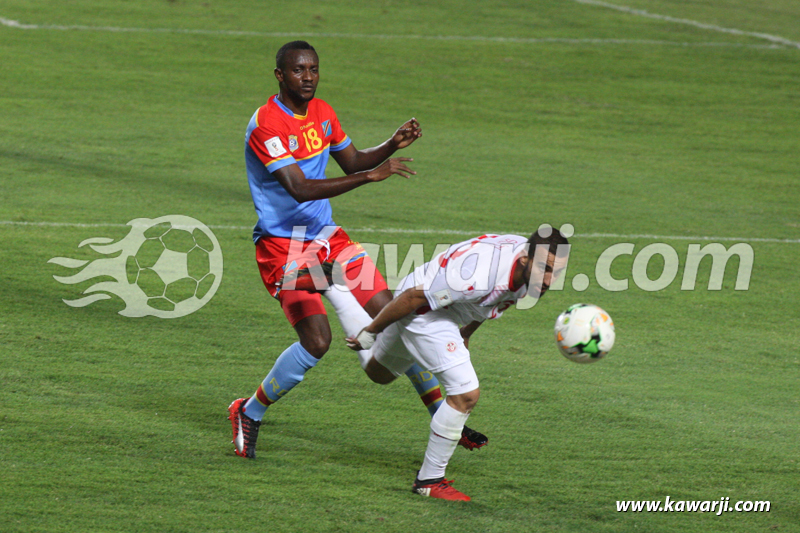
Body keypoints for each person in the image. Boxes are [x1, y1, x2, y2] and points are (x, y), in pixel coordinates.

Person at [228, 40, 486, 459]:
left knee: (395, 313)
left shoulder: (323, 112)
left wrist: (389, 145)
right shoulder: (266, 125)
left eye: (313, 68)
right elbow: (298, 188)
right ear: (280, 75)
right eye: (298, 70)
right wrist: (370, 178)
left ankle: (442, 409)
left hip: (328, 237)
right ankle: (249, 411)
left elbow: (351, 161)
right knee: (317, 342)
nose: (307, 77)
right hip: (283, 247)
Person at [346, 226, 570, 501]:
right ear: (525, 258)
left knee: (378, 374)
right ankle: (429, 481)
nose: (550, 279)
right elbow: (413, 299)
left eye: (557, 272)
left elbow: (491, 303)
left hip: (445, 307)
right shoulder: (476, 275)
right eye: (545, 269)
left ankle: (338, 290)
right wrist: (371, 332)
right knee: (465, 394)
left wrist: (465, 334)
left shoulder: (527, 266)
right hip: (424, 308)